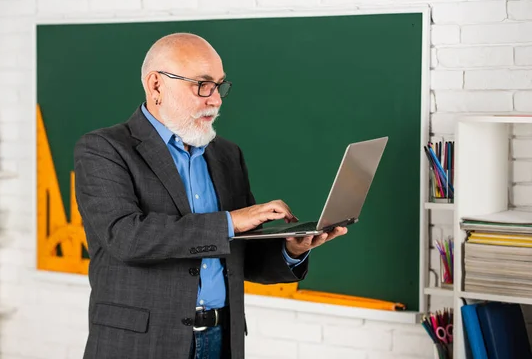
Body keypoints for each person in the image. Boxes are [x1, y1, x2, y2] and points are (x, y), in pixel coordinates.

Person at [74, 32, 348, 359]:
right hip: (141, 344)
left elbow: (240, 256)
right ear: (156, 85)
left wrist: (291, 249)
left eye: (219, 86)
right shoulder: (103, 149)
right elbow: (127, 237)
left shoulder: (227, 155)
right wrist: (231, 221)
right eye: (202, 85)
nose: (215, 99)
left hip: (221, 339)